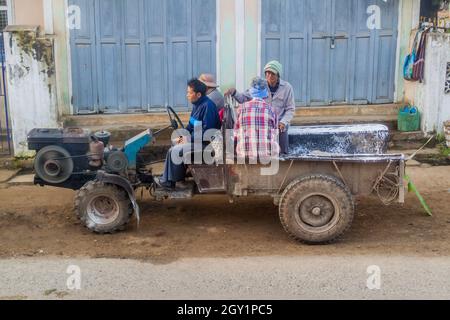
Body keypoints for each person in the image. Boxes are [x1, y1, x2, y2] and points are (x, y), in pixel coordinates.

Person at [156, 79, 221, 190]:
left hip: (207, 145)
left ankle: (170, 182)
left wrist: (188, 139)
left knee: (175, 151)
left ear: (198, 94)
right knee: (174, 143)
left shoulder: (208, 106)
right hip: (197, 140)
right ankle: (174, 178)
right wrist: (183, 136)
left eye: (189, 93)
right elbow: (191, 125)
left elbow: (207, 133)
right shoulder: (197, 105)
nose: (187, 95)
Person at [225, 60, 295, 155]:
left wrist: (283, 122)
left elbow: (290, 109)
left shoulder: (287, 88)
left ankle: (283, 157)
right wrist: (234, 92)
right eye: (267, 73)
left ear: (278, 75)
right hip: (264, 122)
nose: (269, 76)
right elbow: (243, 98)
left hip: (279, 122)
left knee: (282, 140)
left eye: (272, 74)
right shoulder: (260, 85)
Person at [234, 77, 279, 162]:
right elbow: (275, 134)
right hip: (266, 156)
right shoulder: (272, 110)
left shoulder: (240, 108)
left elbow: (235, 134)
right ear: (265, 92)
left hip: (244, 154)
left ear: (251, 91)